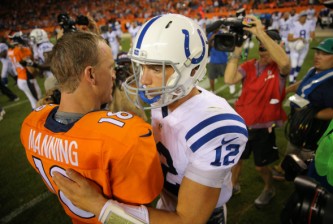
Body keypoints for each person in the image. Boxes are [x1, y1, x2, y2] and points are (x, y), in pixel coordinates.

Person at [53, 14, 248, 224]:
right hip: (165, 205)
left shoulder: (215, 126)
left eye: (156, 68)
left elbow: (188, 220)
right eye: (141, 66)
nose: (144, 80)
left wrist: (98, 206)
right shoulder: (165, 95)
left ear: (192, 69)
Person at [20, 31, 164, 224]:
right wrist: (100, 206)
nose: (114, 74)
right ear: (91, 74)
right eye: (110, 68)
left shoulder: (31, 125)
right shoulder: (126, 136)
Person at [224, 15, 290, 207]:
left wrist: (261, 32)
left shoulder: (279, 69)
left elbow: (284, 63)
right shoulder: (250, 65)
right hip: (243, 124)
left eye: (267, 47)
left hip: (263, 128)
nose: (263, 51)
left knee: (261, 166)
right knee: (237, 160)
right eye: (260, 46)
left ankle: (269, 188)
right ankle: (234, 185)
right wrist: (237, 47)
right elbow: (229, 79)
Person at [273, 38, 333, 180]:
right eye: (317, 52)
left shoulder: (331, 83)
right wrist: (286, 90)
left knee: (306, 156)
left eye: (324, 54)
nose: (318, 56)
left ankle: (301, 179)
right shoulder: (315, 70)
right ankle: (285, 168)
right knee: (293, 146)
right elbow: (305, 83)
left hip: (314, 130)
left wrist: (311, 114)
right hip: (300, 122)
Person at [109, 52, 147, 121]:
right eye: (121, 65)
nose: (124, 67)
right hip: (117, 117)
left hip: (136, 117)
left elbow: (143, 101)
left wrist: (131, 79)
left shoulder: (139, 79)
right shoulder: (113, 80)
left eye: (126, 64)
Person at [288, 11, 315, 84]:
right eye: (303, 16)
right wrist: (299, 38)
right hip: (295, 45)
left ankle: (295, 77)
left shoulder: (310, 23)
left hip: (305, 46)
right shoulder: (294, 24)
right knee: (294, 64)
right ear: (299, 17)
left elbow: (312, 35)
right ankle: (291, 81)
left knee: (300, 63)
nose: (304, 18)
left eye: (305, 16)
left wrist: (309, 39)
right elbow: (289, 38)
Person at [207, 28, 235, 94]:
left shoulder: (223, 34)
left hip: (222, 59)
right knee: (211, 77)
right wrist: (211, 38)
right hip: (213, 60)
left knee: (227, 75)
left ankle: (231, 84)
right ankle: (213, 91)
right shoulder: (210, 34)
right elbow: (208, 45)